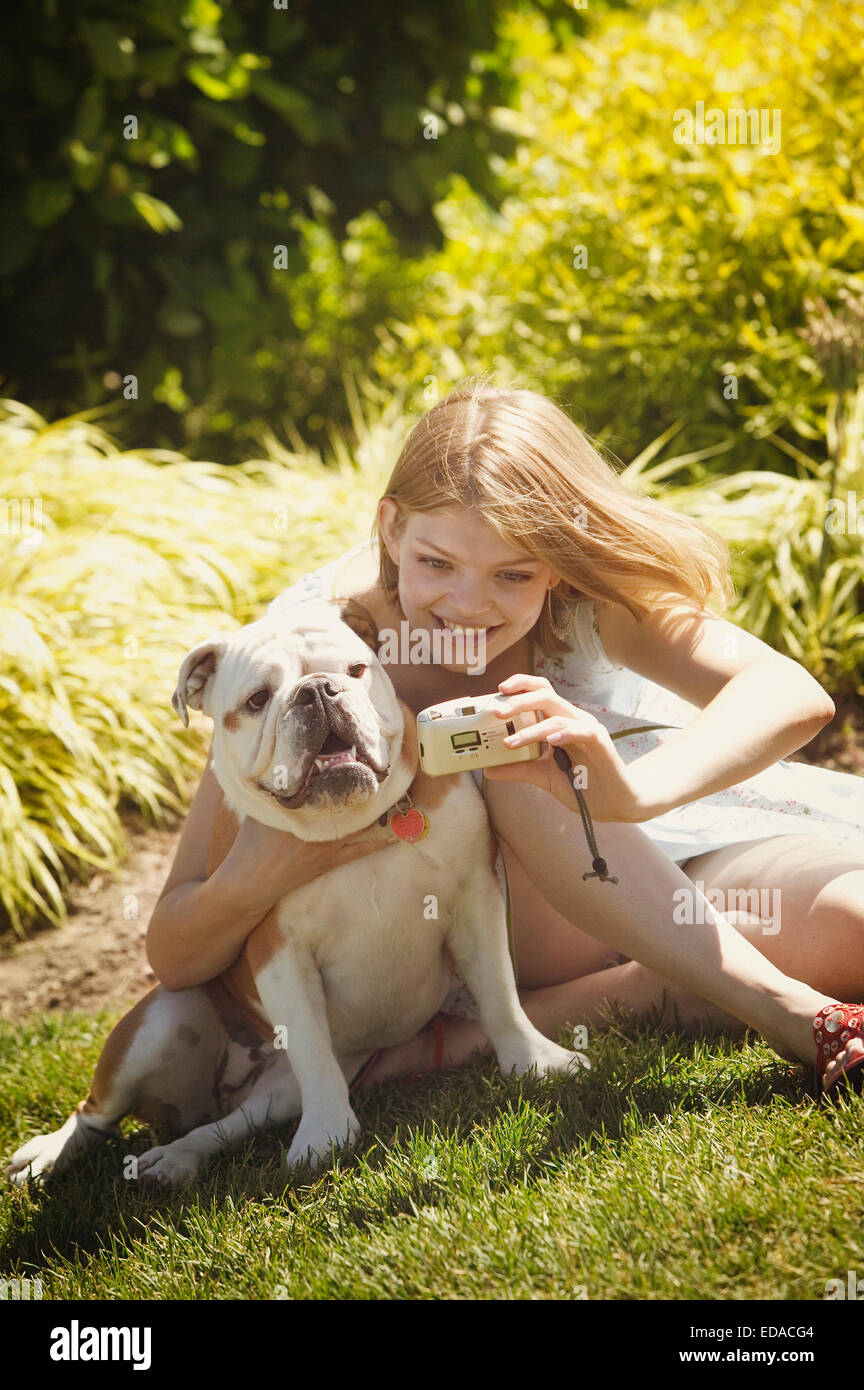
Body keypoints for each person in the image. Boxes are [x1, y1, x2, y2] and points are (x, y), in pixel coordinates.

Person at [147, 381, 864, 1097]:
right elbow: (175, 952)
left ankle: (503, 1031)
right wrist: (262, 873)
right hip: (495, 925)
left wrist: (632, 790)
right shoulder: (312, 651)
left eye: (514, 573)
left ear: (555, 559)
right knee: (513, 749)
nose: (468, 603)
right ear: (392, 528)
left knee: (853, 926)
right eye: (436, 564)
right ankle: (780, 1007)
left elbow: (790, 694)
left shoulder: (582, 599)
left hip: (660, 852)